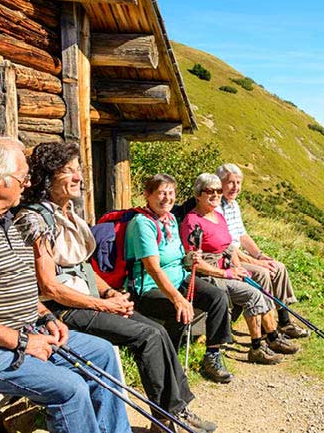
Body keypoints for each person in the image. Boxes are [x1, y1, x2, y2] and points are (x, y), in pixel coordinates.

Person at [0, 134, 129, 433]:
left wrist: (46, 316)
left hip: (22, 335)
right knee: (70, 388)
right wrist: (23, 342)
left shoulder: (5, 219)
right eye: (22, 177)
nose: (28, 184)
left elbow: (17, 288)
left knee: (102, 353)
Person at [14, 143, 216, 433]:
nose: (78, 177)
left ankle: (174, 411)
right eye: (68, 171)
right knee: (147, 335)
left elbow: (82, 267)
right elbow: (49, 286)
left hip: (87, 300)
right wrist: (103, 304)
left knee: (157, 332)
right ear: (48, 176)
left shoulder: (68, 214)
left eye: (78, 170)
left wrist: (110, 292)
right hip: (60, 311)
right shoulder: (35, 219)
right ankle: (167, 417)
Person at [180, 173, 299, 365]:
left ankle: (270, 337)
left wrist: (237, 267)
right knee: (253, 294)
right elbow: (193, 262)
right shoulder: (192, 222)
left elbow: (228, 247)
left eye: (219, 191)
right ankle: (258, 347)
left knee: (259, 288)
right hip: (209, 275)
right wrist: (228, 273)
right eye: (210, 191)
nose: (216, 195)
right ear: (198, 195)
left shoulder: (218, 216)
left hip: (226, 268)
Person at [127, 174, 233, 384]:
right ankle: (170, 365)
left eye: (171, 193)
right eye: (161, 193)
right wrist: (178, 299)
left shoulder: (171, 219)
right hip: (148, 287)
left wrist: (189, 259)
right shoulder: (143, 224)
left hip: (179, 278)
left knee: (217, 297)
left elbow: (177, 259)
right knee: (179, 311)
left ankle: (212, 355)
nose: (167, 198)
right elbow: (153, 268)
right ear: (148, 195)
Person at [215, 164, 309, 338]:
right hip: (228, 259)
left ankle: (284, 321)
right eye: (230, 182)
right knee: (263, 272)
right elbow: (229, 247)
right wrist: (258, 262)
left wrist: (260, 255)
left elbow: (242, 235)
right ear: (219, 183)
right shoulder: (216, 207)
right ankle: (267, 327)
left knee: (278, 267)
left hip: (240, 255)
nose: (235, 187)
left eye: (238, 182)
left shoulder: (233, 205)